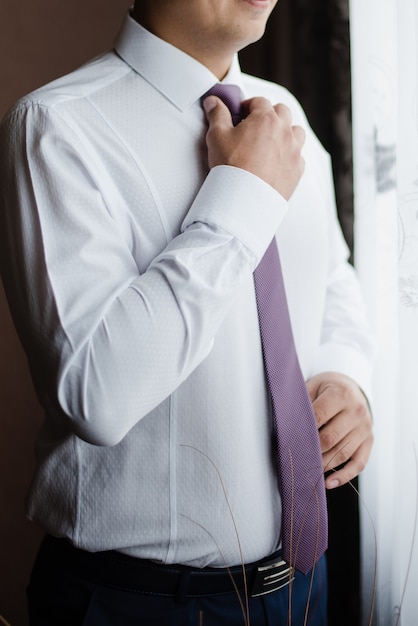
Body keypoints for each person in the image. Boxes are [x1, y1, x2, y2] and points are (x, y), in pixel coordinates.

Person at [0, 1, 374, 624]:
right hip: (137, 602)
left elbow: (333, 278)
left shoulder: (283, 114)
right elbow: (95, 394)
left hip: (305, 586)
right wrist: (242, 197)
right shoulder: (56, 127)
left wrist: (345, 374)